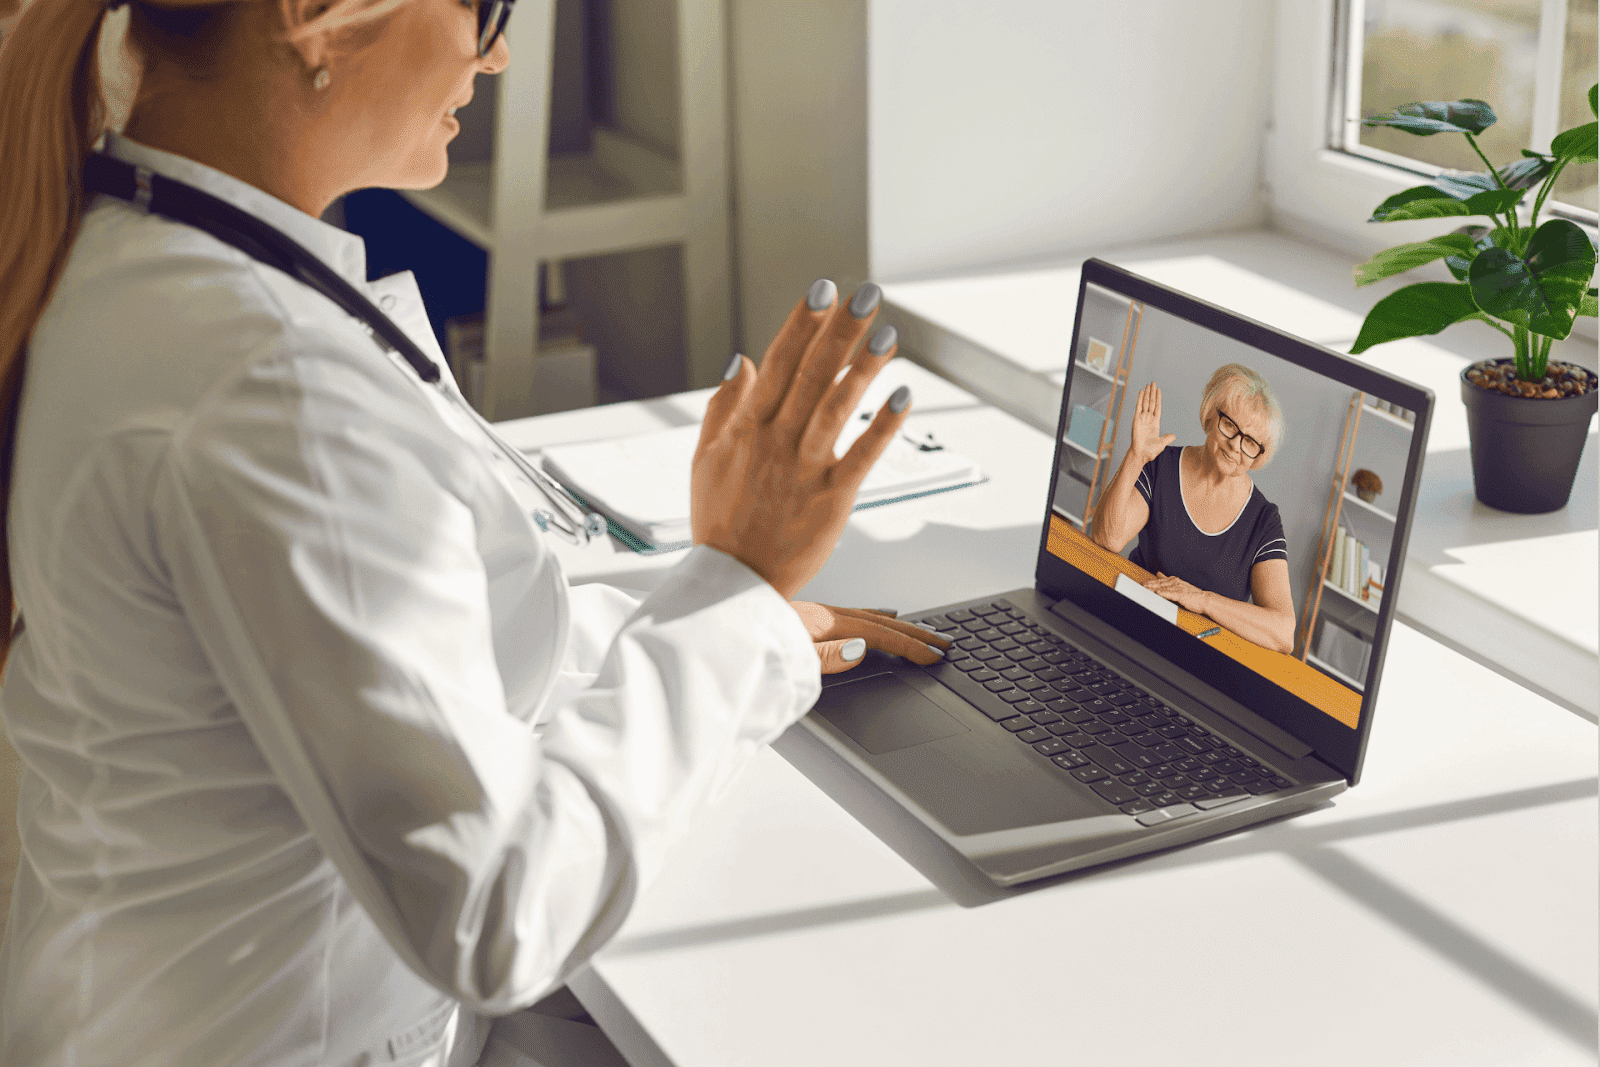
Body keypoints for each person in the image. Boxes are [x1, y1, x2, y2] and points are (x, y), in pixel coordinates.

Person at [0, 0, 951, 1063]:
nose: (496, 56)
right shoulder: (275, 388)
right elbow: (500, 911)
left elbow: (347, 644)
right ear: (315, 19)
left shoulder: (130, 247)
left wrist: (724, 622)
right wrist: (737, 579)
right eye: (483, 8)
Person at [1090, 364, 1295, 654]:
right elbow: (1107, 538)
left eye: (1250, 442)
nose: (1236, 446)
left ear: (1258, 456)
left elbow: (1283, 633)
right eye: (1230, 426)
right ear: (1210, 416)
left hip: (1200, 655)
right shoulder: (1161, 465)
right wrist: (1136, 456)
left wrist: (1202, 600)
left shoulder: (1264, 520)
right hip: (1131, 623)